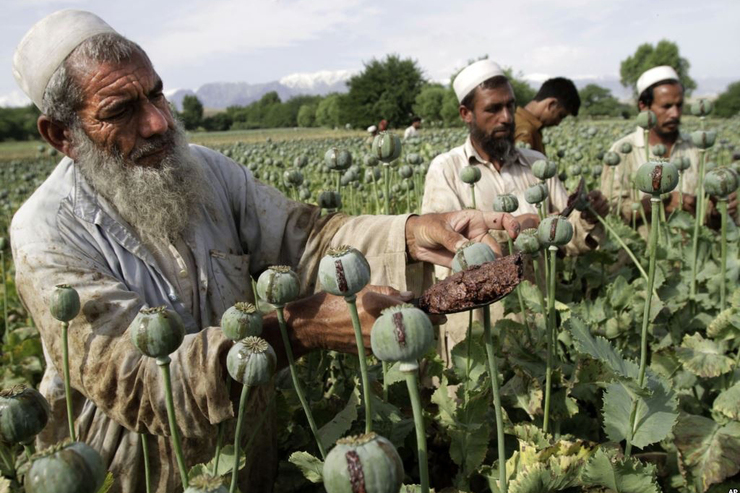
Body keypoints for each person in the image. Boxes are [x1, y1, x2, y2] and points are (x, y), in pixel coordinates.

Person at [10, 10, 520, 493]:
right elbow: (138, 381)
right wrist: (298, 329)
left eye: (157, 95)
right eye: (121, 111)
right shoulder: (46, 231)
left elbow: (308, 238)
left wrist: (412, 231)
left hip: (248, 454)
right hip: (133, 471)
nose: (158, 123)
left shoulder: (206, 171)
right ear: (62, 135)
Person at [421, 59, 607, 362]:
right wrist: (513, 228)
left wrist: (586, 217)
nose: (506, 118)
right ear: (466, 114)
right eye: (493, 109)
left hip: (536, 324)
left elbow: (568, 240)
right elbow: (442, 253)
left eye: (510, 106)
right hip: (478, 334)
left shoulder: (537, 165)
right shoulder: (446, 169)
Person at [600, 65, 737, 225]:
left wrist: (717, 211)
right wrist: (658, 201)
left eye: (679, 105)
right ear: (643, 106)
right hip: (640, 248)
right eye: (666, 106)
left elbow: (708, 212)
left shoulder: (696, 148)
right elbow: (611, 213)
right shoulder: (622, 151)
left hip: (690, 246)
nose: (675, 113)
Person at [514, 77, 581, 155]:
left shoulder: (515, 119)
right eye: (561, 116)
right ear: (551, 104)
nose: (557, 123)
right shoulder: (526, 132)